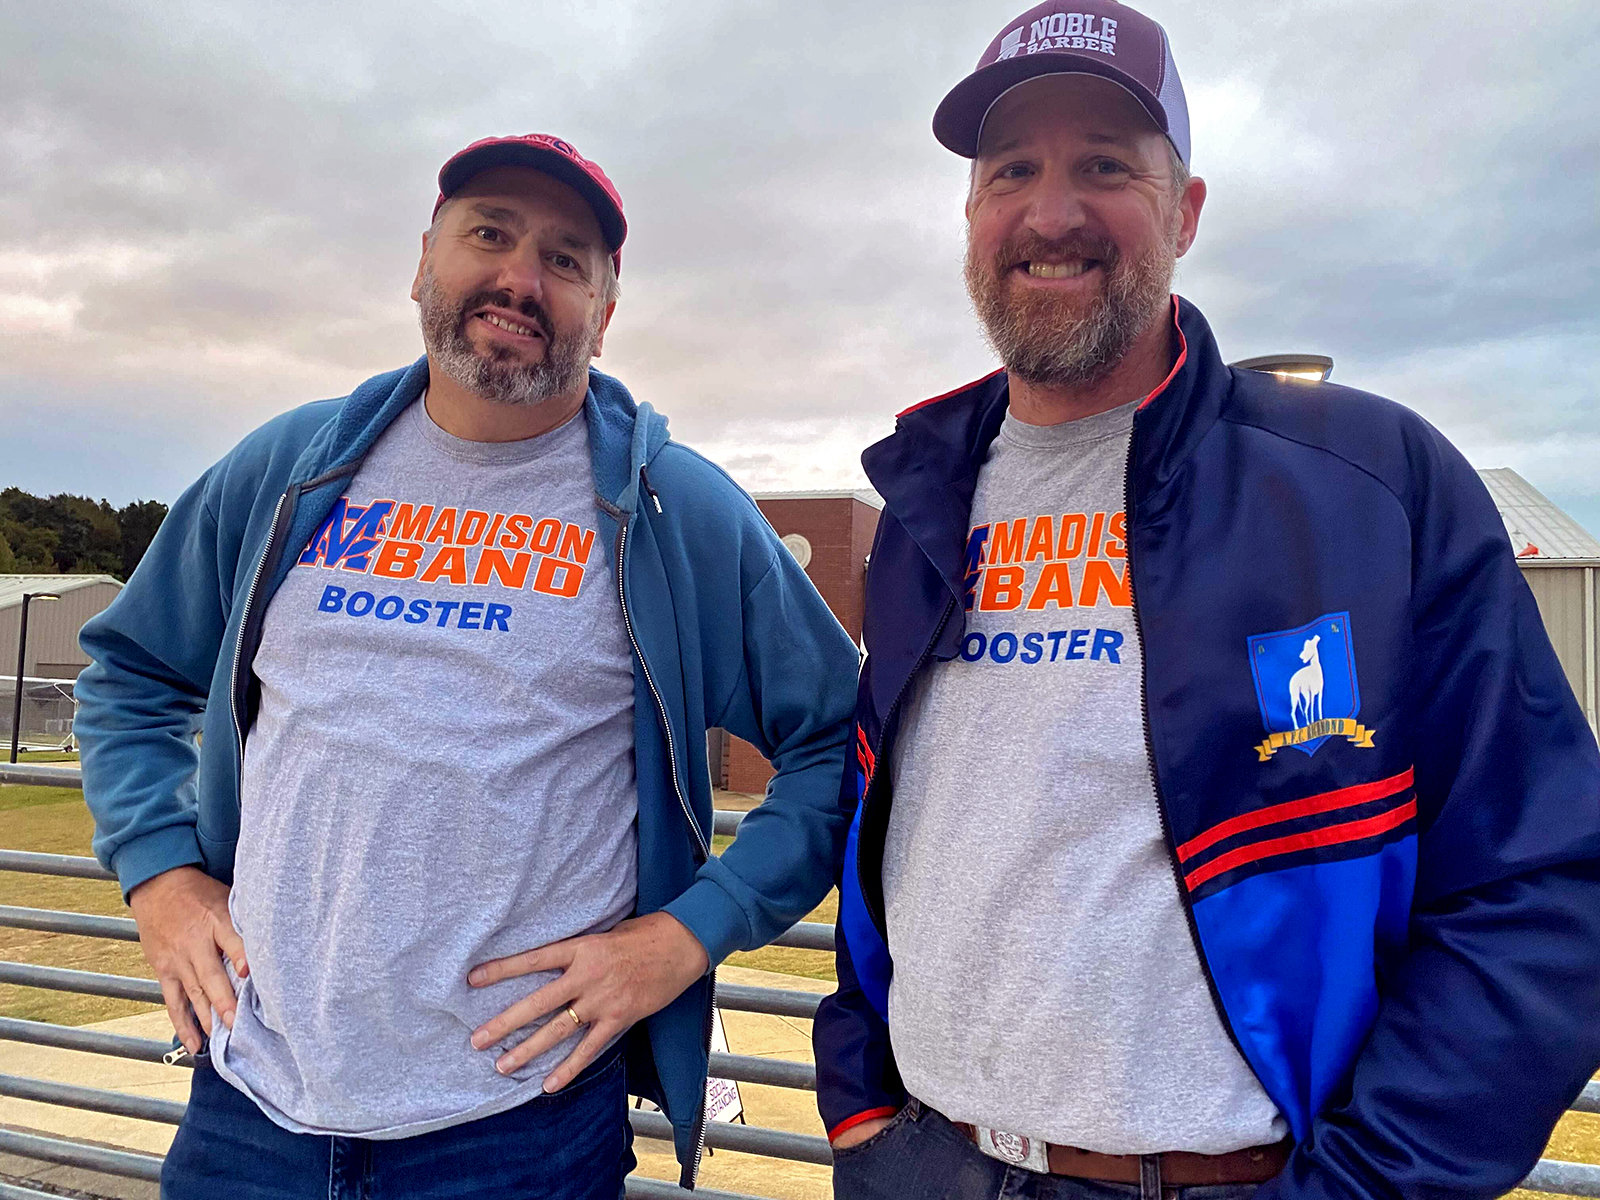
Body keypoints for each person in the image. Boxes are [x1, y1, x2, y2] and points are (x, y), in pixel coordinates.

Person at [813, 3, 1600, 1197]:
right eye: (1011, 170)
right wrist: (858, 1099)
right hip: (924, 1162)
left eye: (1104, 167)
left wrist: (1368, 1187)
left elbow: (1537, 882)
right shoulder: (924, 498)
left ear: (1183, 212)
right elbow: (900, 834)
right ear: (971, 218)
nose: (1052, 211)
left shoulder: (1366, 486)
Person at [74, 132, 857, 1199]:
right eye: (489, 233)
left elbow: (835, 746)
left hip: (514, 1131)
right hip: (248, 1107)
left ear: (606, 311)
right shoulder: (291, 468)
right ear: (422, 261)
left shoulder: (677, 511)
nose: (520, 278)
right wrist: (161, 876)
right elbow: (126, 675)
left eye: (566, 258)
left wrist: (685, 936)